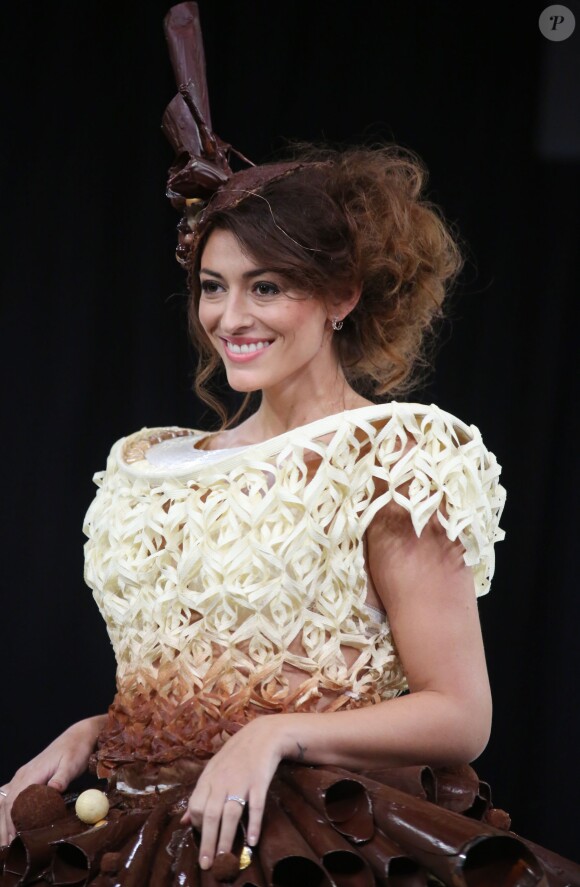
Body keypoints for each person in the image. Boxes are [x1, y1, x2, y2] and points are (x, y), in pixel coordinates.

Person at [1, 4, 578, 885]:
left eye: (266, 287)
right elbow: (178, 682)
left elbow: (461, 713)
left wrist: (274, 732)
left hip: (317, 838)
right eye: (214, 287)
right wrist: (95, 734)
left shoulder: (393, 455)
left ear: (340, 294)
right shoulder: (147, 466)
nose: (231, 317)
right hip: (150, 832)